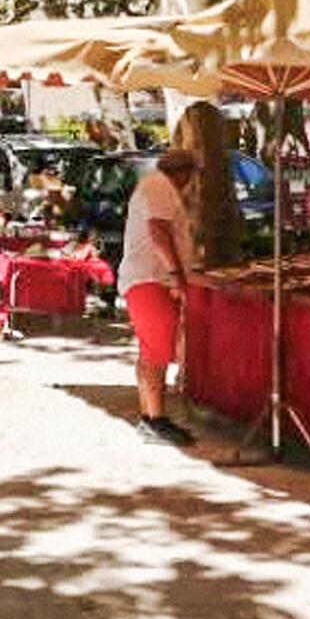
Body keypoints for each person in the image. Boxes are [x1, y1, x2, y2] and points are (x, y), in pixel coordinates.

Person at [119, 148, 199, 448]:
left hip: (147, 279)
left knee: (150, 350)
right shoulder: (159, 187)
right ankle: (155, 418)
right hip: (152, 280)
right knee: (157, 351)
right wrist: (176, 274)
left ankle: (150, 415)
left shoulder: (153, 185)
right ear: (184, 173)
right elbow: (158, 232)